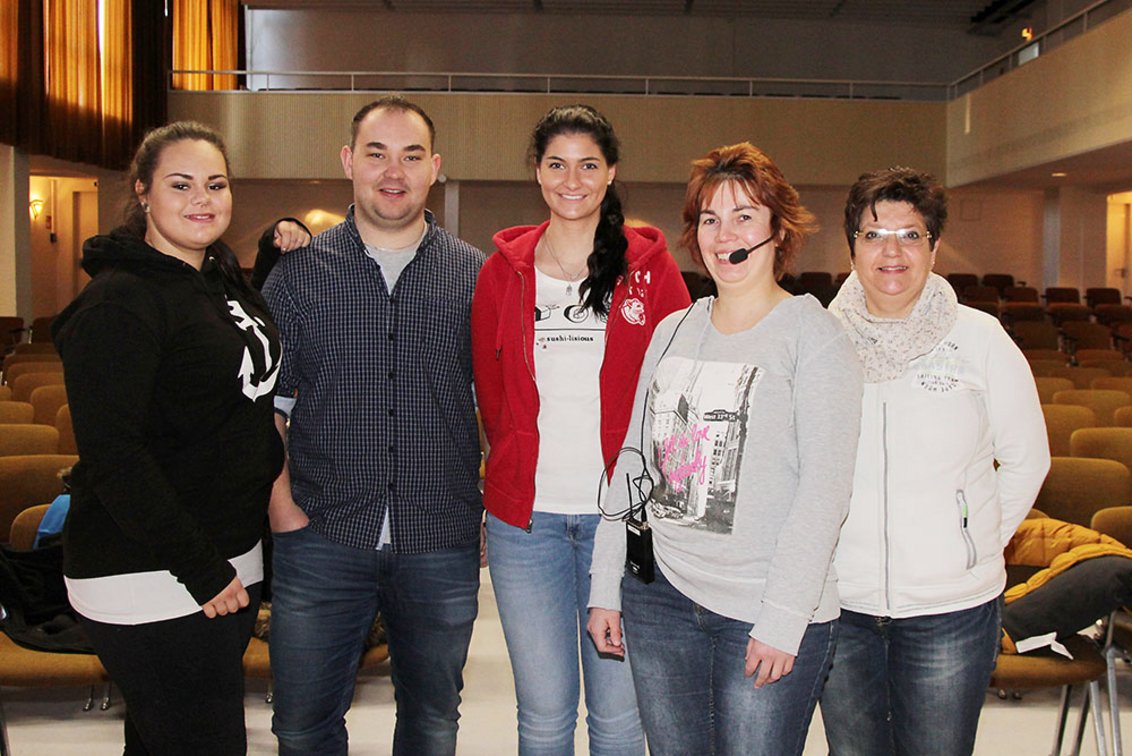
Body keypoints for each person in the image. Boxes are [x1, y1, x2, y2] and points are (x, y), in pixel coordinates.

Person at [586, 142, 863, 756]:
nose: (723, 234)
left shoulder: (812, 336)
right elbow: (633, 461)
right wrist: (607, 582)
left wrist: (784, 619)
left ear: (776, 230)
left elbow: (825, 493)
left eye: (743, 216)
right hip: (660, 597)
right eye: (709, 218)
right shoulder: (674, 328)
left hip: (763, 609)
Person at [260, 95, 485, 756]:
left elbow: (506, 410)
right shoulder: (298, 275)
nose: (394, 171)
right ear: (348, 162)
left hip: (438, 539)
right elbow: (261, 407)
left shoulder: (476, 277)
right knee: (301, 726)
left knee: (433, 724)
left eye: (412, 156)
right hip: (320, 537)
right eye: (377, 153)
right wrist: (282, 515)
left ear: (435, 167)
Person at [52, 121, 285, 754]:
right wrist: (204, 572)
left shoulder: (216, 278)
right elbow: (114, 456)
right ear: (143, 193)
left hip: (224, 556)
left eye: (215, 183)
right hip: (150, 569)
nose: (201, 198)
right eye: (180, 185)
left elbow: (233, 398)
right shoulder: (118, 302)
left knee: (163, 740)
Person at [471, 104, 690, 754]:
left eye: (588, 164)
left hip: (619, 526)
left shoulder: (651, 271)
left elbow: (678, 393)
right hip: (526, 527)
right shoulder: (502, 273)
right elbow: (490, 394)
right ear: (538, 174)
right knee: (543, 715)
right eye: (558, 164)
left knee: (620, 718)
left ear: (611, 171)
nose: (573, 179)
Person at [821, 167, 1050, 756]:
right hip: (842, 604)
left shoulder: (980, 339)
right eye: (873, 235)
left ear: (934, 247)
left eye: (910, 235)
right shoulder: (819, 341)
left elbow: (1027, 458)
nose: (891, 251)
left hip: (950, 609)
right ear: (851, 247)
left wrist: (975, 542)